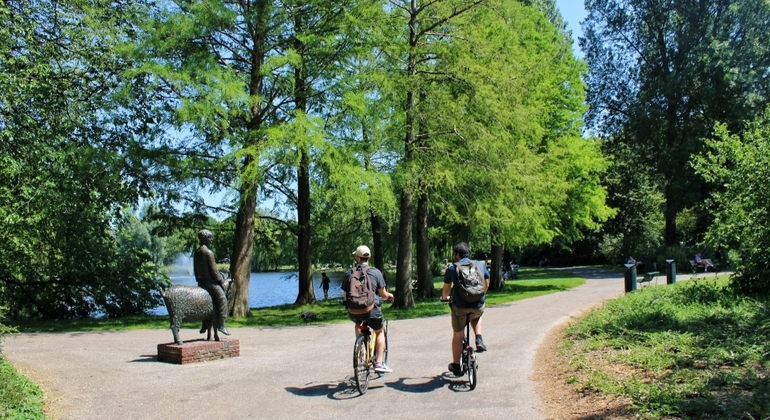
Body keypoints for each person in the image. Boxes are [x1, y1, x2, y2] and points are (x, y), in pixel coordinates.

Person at [341, 245, 394, 373]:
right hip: (372, 309)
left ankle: (361, 350)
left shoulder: (349, 273)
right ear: (369, 257)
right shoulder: (376, 272)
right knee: (379, 331)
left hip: (354, 311)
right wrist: (390, 296)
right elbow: (383, 294)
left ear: (357, 257)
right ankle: (380, 363)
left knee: (358, 324)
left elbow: (345, 296)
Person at [441, 242, 490, 377]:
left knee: (458, 335)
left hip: (460, 306)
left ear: (457, 254)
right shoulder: (480, 265)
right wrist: (481, 294)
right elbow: (487, 282)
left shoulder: (452, 268)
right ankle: (479, 339)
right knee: (477, 315)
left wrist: (445, 298)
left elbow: (446, 290)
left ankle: (456, 366)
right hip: (478, 304)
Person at [193, 229, 230, 336]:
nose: (211, 240)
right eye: (209, 237)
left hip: (201, 282)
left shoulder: (197, 252)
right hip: (210, 283)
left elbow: (195, 269)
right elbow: (214, 271)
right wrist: (221, 281)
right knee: (222, 299)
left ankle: (204, 324)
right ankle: (222, 325)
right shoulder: (208, 253)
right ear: (204, 238)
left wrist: (198, 280)